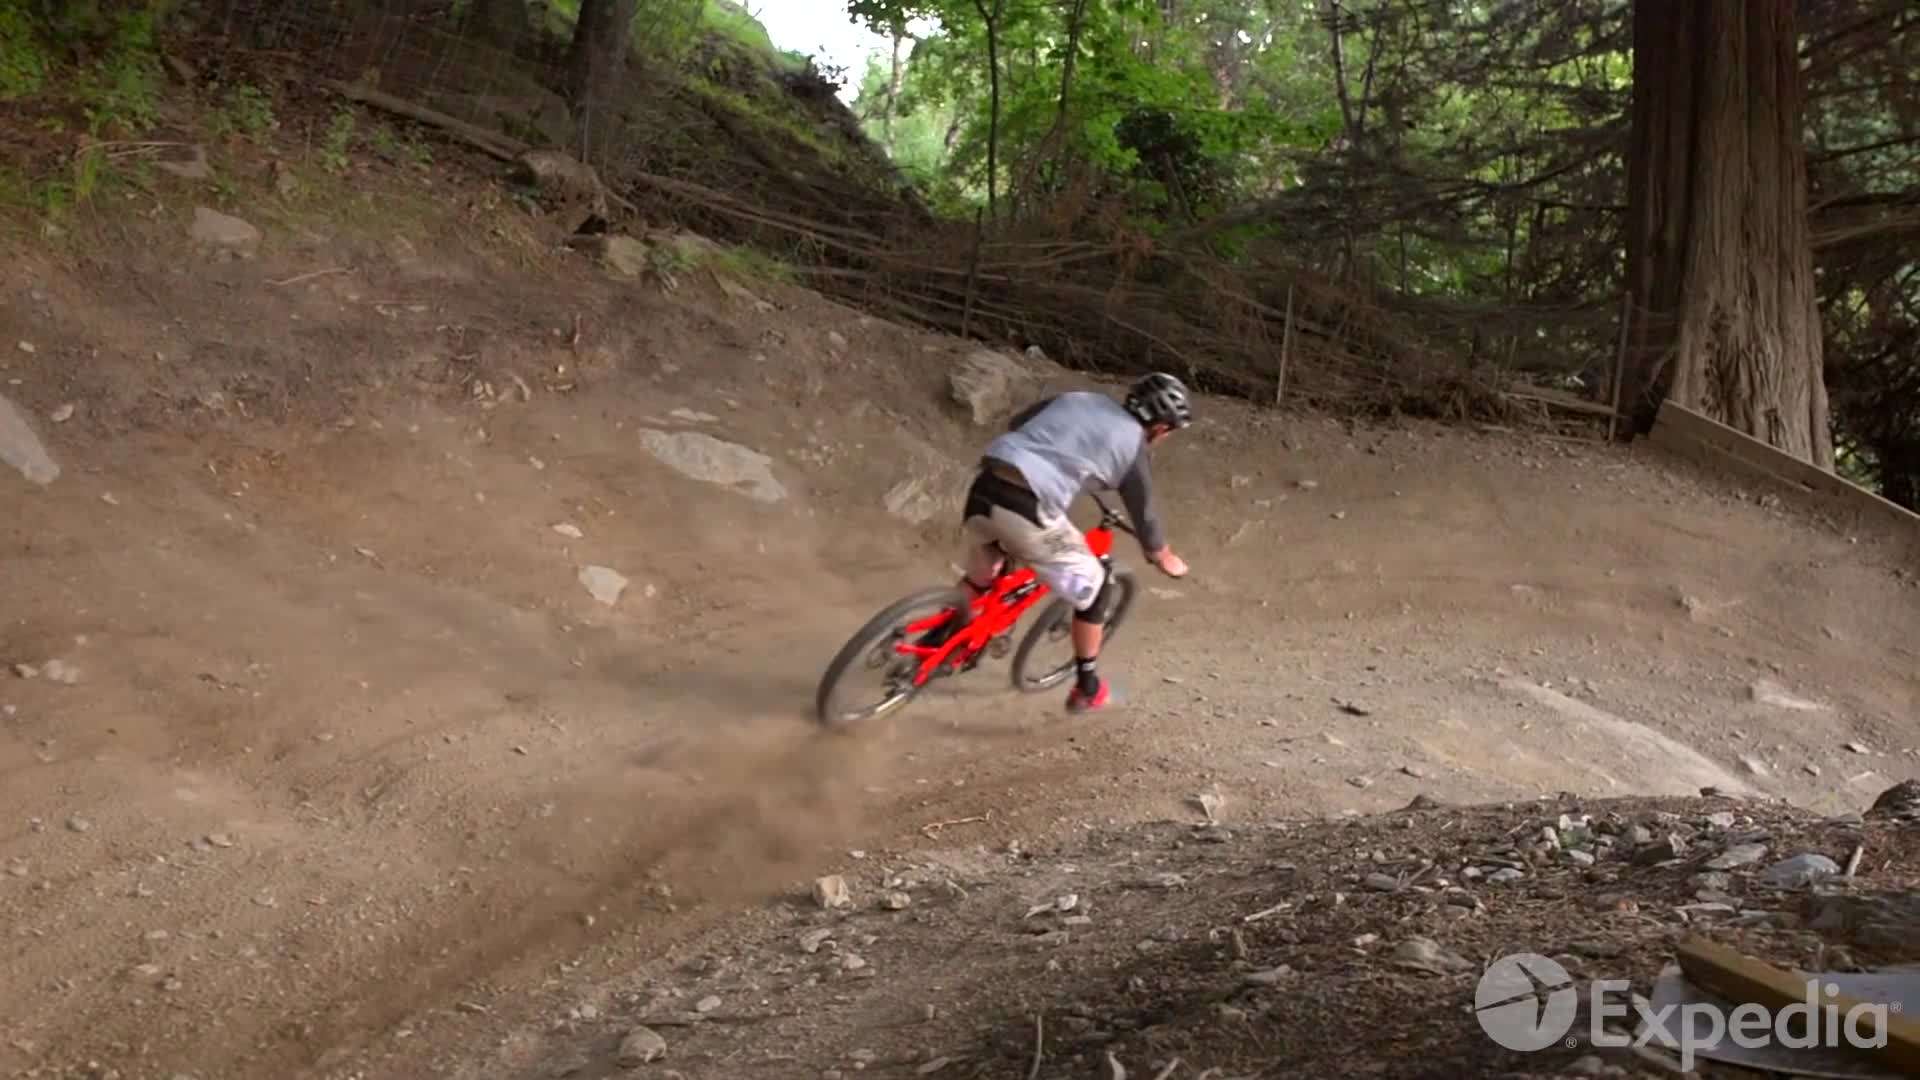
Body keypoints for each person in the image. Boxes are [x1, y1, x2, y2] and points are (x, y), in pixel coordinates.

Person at [941, 371, 1193, 713]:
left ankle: (938, 638)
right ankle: (1087, 686)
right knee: (1098, 588)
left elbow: (1021, 422)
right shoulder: (1133, 444)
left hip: (985, 486)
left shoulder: (1079, 399)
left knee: (986, 568)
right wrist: (1162, 555)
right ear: (1161, 428)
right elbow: (1143, 510)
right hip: (1028, 507)